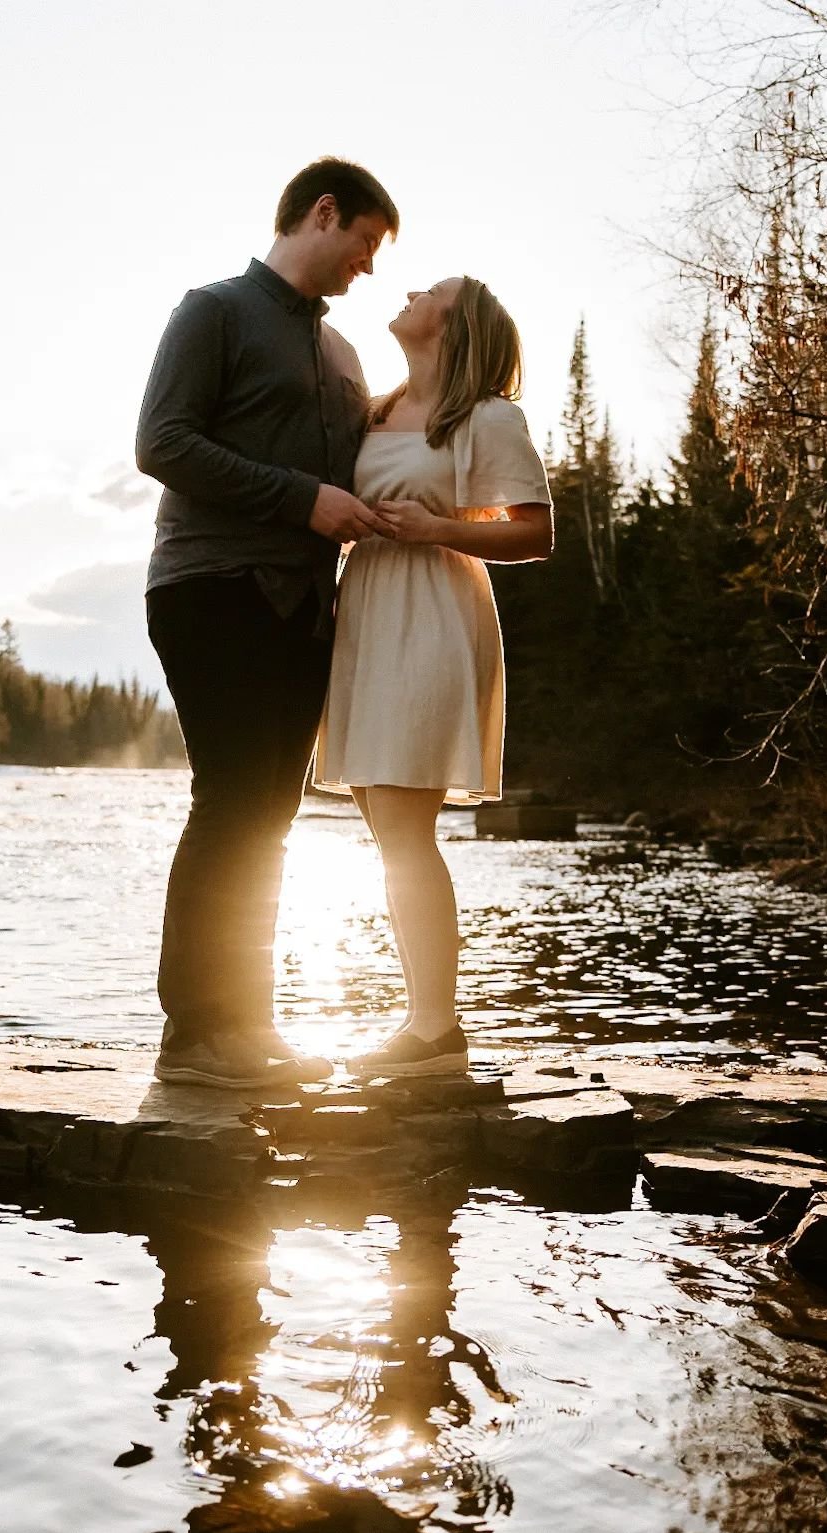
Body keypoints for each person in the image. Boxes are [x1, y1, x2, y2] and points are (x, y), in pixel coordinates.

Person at [136, 159, 398, 1089]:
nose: (366, 267)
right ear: (322, 213)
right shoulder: (211, 310)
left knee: (270, 814)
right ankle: (198, 1039)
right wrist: (302, 501)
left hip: (304, 608)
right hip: (211, 585)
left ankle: (244, 1028)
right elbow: (160, 442)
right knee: (233, 800)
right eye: (364, 243)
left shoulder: (341, 357)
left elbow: (361, 474)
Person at [313, 277, 554, 1078]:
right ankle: (423, 1025)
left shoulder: (486, 417)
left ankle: (433, 1031)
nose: (410, 289)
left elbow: (535, 534)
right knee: (387, 830)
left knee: (407, 830)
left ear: (453, 329)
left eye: (432, 290)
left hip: (433, 611)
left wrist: (437, 527)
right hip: (368, 613)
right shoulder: (374, 410)